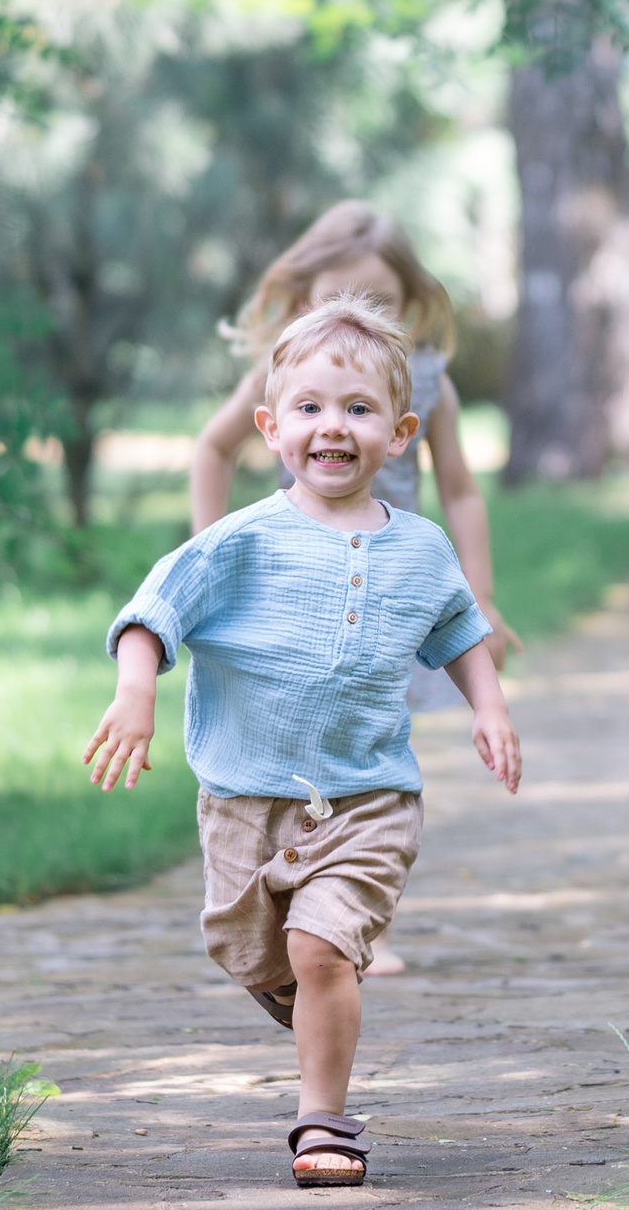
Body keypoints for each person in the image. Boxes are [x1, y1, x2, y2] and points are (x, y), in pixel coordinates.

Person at [85, 297, 523, 1187]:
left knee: (320, 947)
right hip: (246, 801)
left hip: (369, 799)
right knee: (254, 950)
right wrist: (136, 694)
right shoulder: (238, 542)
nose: (335, 427)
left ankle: (322, 1120)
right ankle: (321, 997)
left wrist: (491, 707)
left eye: (359, 410)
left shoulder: (422, 549)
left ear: (400, 434)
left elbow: (460, 631)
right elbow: (153, 613)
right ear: (270, 426)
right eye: (312, 408)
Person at [190, 201, 520, 974]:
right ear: (302, 298)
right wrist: (211, 565)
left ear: (410, 305)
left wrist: (480, 597)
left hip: (393, 597)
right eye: (336, 297)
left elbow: (463, 490)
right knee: (307, 747)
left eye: (377, 302)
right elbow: (213, 447)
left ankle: (354, 906)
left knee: (369, 752)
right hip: (295, 598)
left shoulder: (427, 382)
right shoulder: (283, 372)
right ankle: (299, 894)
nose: (354, 316)